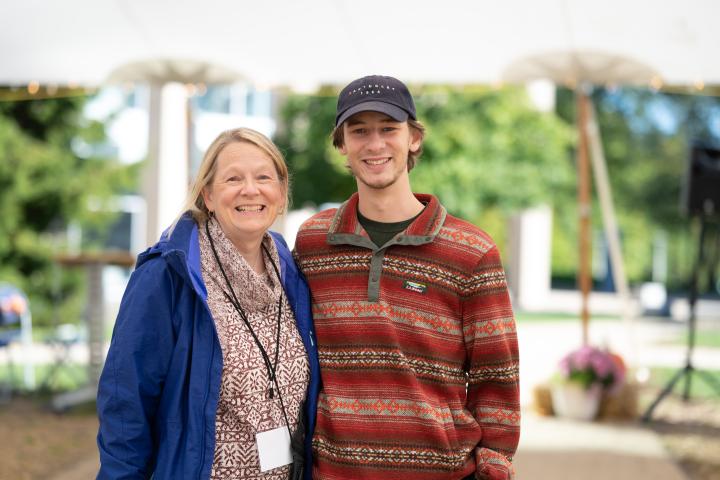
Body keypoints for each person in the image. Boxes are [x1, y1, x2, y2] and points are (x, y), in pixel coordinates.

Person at [293, 75, 520, 480]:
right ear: (341, 144)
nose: (375, 144)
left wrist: (494, 469)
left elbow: (497, 377)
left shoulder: (471, 250)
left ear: (414, 138)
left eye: (389, 129)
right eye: (359, 131)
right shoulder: (313, 242)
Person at [97, 127, 320, 480]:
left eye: (263, 177)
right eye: (233, 179)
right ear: (208, 196)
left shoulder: (291, 270)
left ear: (280, 193)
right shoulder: (168, 274)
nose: (250, 189)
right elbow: (126, 406)